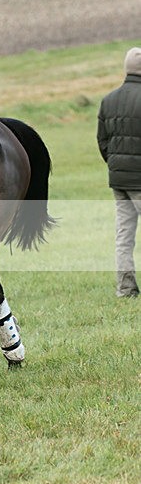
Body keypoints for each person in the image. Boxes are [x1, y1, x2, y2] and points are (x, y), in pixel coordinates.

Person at [97, 47, 141, 298]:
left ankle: (125, 288)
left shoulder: (108, 100)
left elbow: (102, 141)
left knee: (124, 236)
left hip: (119, 180)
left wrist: (114, 165)